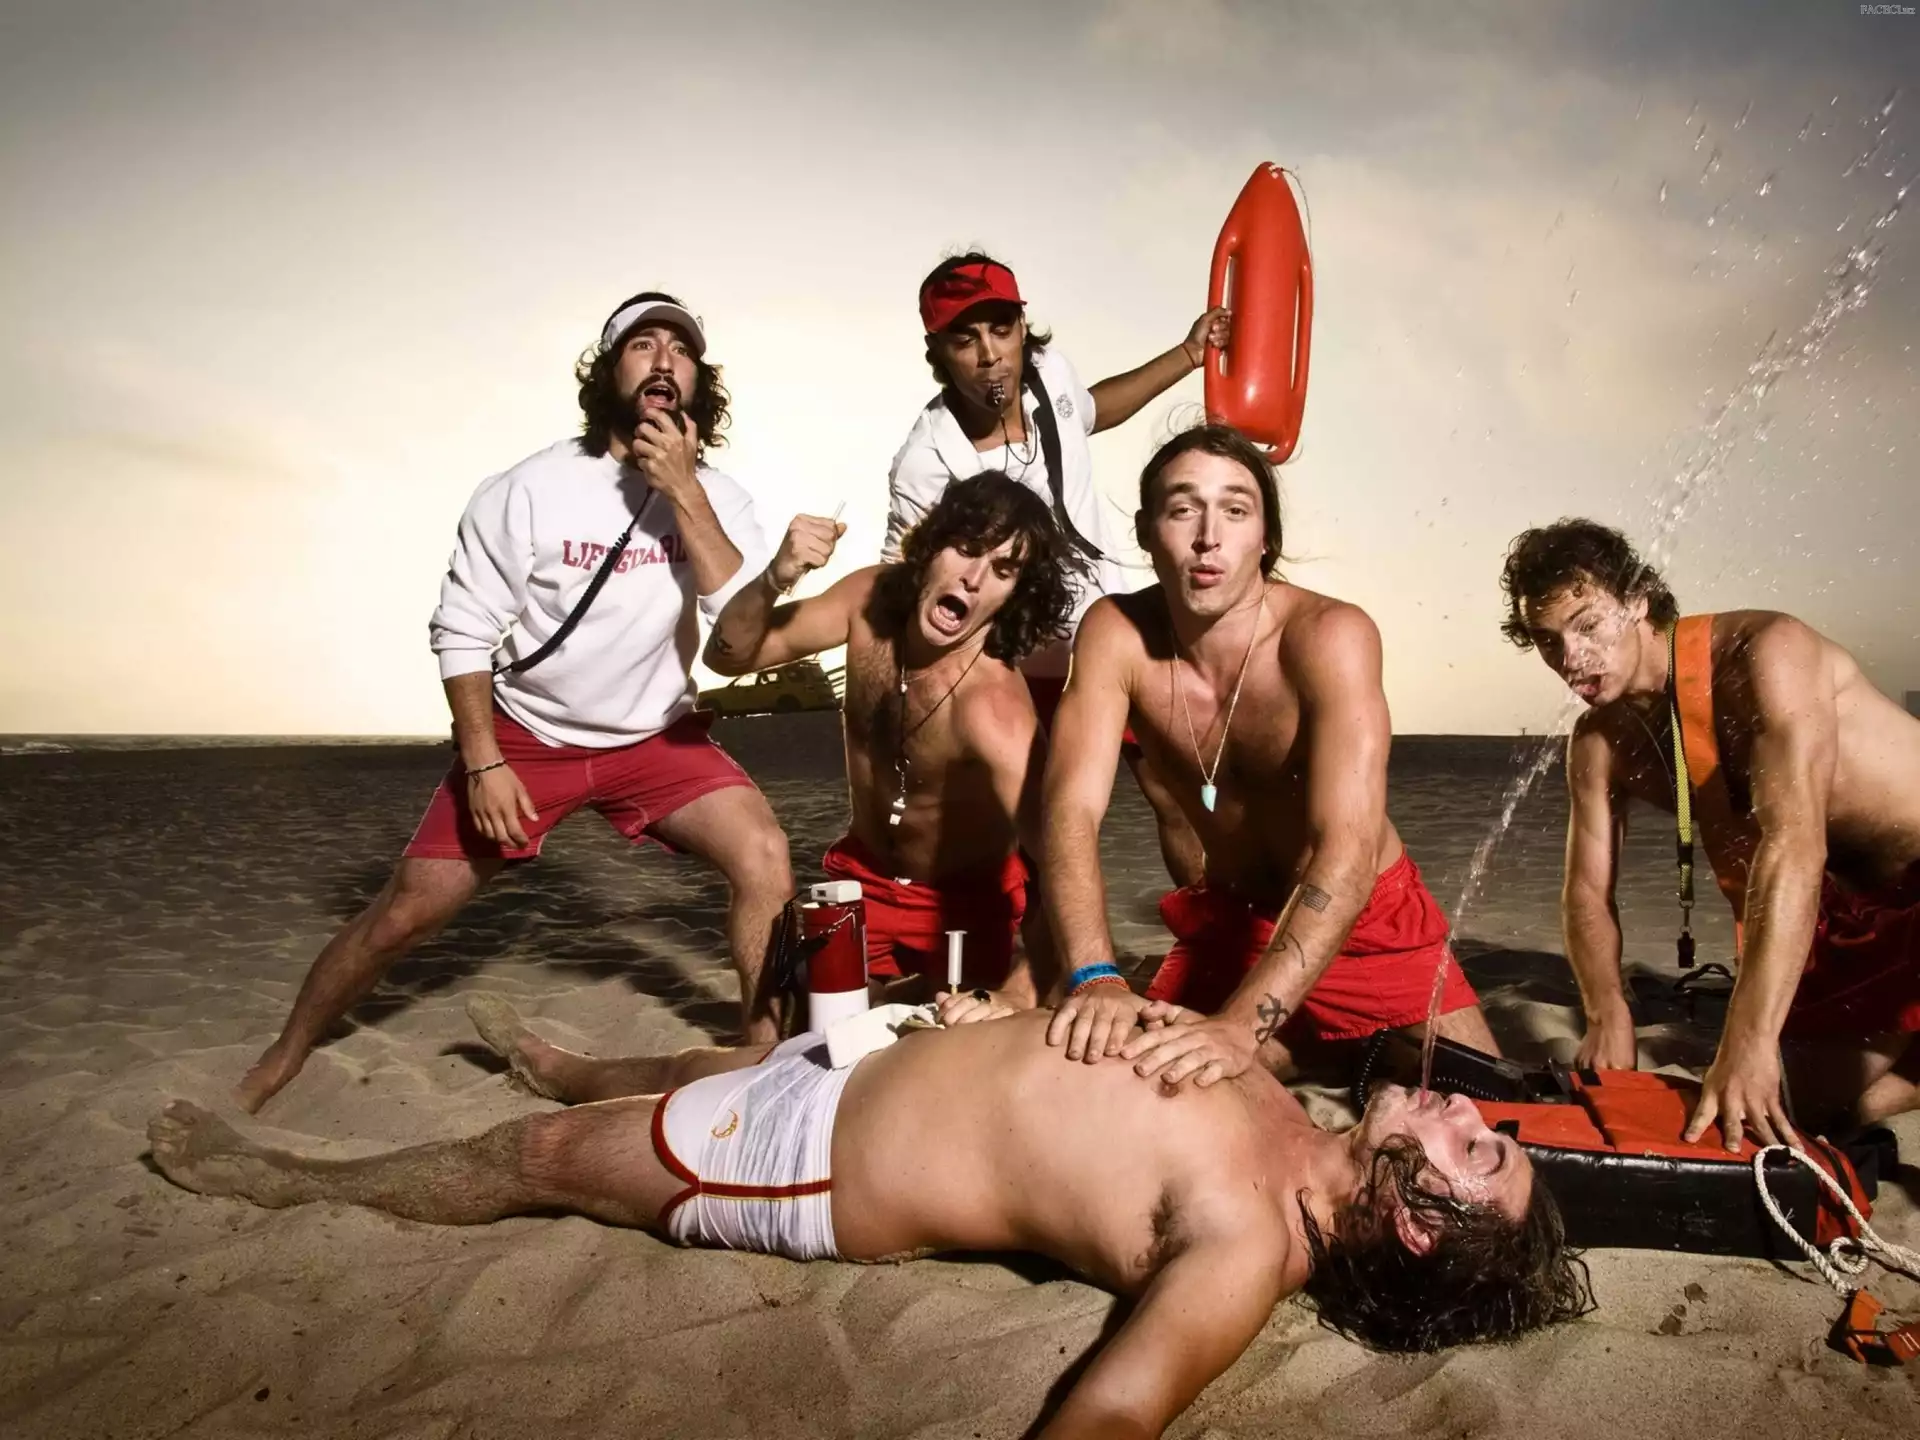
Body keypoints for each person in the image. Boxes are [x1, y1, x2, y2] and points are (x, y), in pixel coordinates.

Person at [150, 1002, 1592, 1438]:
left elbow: (1113, 1412)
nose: (1475, 1115)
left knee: (542, 1159)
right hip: (880, 1055)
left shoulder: (1245, 1247)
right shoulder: (1291, 1108)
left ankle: (285, 1182)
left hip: (807, 1158)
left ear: (1419, 1231)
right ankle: (566, 1056)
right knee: (670, 1066)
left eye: (1480, 1157)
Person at [236, 292, 790, 1113]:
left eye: (681, 350)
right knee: (405, 914)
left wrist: (683, 489)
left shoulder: (719, 497)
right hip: (530, 736)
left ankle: (764, 1056)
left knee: (765, 855)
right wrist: (483, 761)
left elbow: (736, 623)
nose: (664, 360)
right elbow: (462, 629)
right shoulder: (529, 488)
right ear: (609, 375)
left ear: (698, 384)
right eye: (642, 345)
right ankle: (284, 1054)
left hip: (657, 739)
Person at [1041, 424, 1501, 1088]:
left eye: (1235, 510)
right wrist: (1095, 976)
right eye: (1183, 509)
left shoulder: (1329, 637)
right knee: (1139, 1086)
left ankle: (1330, 1047)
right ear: (1145, 531)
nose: (1208, 536)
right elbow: (1070, 812)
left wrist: (1239, 1026)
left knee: (1490, 1101)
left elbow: (1346, 852)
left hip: (1362, 918)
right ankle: (1323, 1052)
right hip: (1232, 919)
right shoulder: (1116, 635)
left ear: (1265, 537)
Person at [1499, 518, 1920, 1145]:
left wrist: (1748, 1040)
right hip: (1852, 915)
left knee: (1765, 1092)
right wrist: (1606, 1010)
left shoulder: (1767, 653)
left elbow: (1794, 846)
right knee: (1792, 1109)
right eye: (1548, 640)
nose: (1571, 658)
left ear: (1638, 599)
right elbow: (1586, 890)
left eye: (1587, 624)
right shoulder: (1599, 743)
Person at [886, 252, 1230, 890]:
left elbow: (1091, 410)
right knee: (1048, 829)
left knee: (1176, 792)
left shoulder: (1049, 375)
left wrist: (1187, 355)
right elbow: (898, 582)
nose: (990, 353)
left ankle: (1209, 931)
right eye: (965, 338)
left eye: (1001, 329)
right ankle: (1054, 946)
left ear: (1022, 328)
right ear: (938, 352)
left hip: (1118, 630)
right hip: (1023, 663)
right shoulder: (925, 463)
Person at [703, 473, 1082, 1007]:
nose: (973, 578)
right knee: (821, 1030)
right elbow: (726, 657)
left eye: (1002, 570)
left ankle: (917, 996)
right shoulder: (868, 600)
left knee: (935, 1044)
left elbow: (1063, 857)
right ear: (932, 543)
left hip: (963, 908)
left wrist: (1024, 991)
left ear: (1016, 595)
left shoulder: (997, 712)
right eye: (966, 547)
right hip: (864, 880)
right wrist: (774, 577)